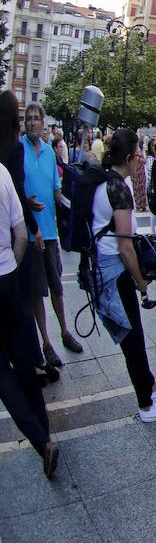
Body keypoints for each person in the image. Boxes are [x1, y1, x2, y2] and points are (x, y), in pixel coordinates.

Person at [92, 129, 156, 422]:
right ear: (128, 157)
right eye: (138, 153)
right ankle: (146, 404)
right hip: (114, 270)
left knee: (134, 335)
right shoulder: (119, 189)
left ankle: (150, 384)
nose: (141, 158)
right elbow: (125, 246)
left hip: (102, 266)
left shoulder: (103, 179)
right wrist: (142, 284)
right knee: (133, 337)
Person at [0, 157, 58, 477]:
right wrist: (10, 264)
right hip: (8, 278)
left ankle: (42, 443)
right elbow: (20, 235)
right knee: (25, 363)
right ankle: (46, 434)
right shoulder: (3, 173)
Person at [21, 102, 81, 366]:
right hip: (29, 234)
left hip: (50, 233)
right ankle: (46, 342)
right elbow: (11, 191)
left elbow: (57, 193)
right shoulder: (16, 150)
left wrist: (75, 205)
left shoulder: (48, 152)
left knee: (57, 286)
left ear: (43, 122)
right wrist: (26, 202)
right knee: (37, 291)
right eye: (29, 118)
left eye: (37, 118)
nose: (33, 122)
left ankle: (65, 331)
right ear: (25, 123)